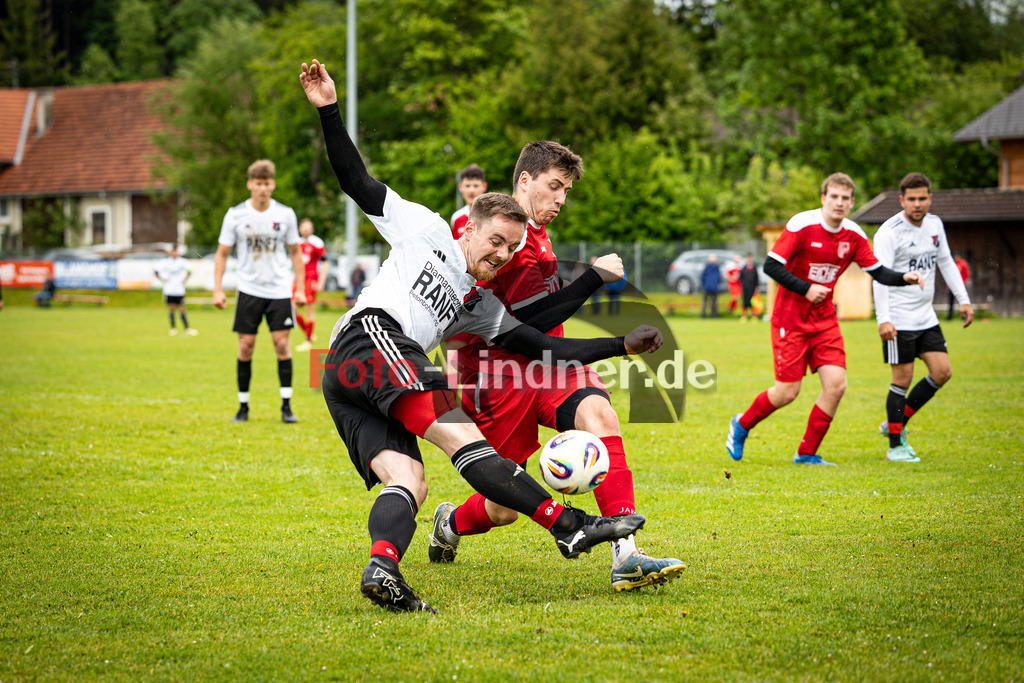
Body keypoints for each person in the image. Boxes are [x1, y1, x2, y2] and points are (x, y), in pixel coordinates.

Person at [302, 59, 657, 613]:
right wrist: (329, 109)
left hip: (354, 375)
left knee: (408, 479)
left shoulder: (477, 303)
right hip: (371, 339)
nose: (502, 254)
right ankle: (568, 527)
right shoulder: (425, 229)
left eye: (511, 249)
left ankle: (383, 568)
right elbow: (356, 181)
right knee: (467, 443)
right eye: (495, 242)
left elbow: (542, 345)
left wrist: (620, 346)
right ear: (468, 226)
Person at [433, 140, 685, 593]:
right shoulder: (500, 236)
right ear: (524, 180)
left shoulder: (537, 232)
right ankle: (449, 524)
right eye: (554, 186)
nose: (561, 199)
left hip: (550, 364)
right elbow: (530, 322)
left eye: (566, 190)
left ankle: (626, 554)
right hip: (495, 376)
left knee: (599, 415)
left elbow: (540, 312)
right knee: (503, 507)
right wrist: (592, 278)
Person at [725, 173, 924, 466]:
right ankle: (741, 424)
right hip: (790, 320)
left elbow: (878, 272)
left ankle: (807, 453)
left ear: (851, 202)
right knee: (787, 392)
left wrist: (904, 277)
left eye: (845, 198)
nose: (839, 203)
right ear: (823, 198)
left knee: (836, 385)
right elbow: (771, 266)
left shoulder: (853, 235)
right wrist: (806, 289)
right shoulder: (801, 225)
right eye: (834, 197)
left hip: (824, 321)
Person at [873, 173, 973, 463]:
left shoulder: (935, 224)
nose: (917, 204)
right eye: (911, 199)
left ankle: (895, 423)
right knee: (902, 379)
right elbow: (879, 277)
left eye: (922, 198)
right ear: (902, 200)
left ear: (930, 198)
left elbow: (946, 262)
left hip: (926, 317)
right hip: (898, 318)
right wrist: (883, 319)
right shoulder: (889, 232)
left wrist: (964, 300)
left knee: (942, 372)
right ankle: (895, 447)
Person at [213, 159, 306, 424]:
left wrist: (299, 289)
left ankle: (286, 407)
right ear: (250, 185)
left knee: (282, 345)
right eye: (258, 183)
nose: (262, 188)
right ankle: (243, 407)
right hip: (248, 289)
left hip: (279, 289)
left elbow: (295, 253)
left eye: (266, 183)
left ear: (273, 185)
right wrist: (217, 289)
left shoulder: (285, 214)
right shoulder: (235, 215)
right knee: (246, 347)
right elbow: (222, 253)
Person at [294, 218, 329, 352]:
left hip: (310, 279)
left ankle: (307, 341)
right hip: (298, 280)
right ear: (299, 229)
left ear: (312, 229)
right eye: (303, 227)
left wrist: (321, 281)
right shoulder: (297, 243)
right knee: (293, 309)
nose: (305, 229)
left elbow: (325, 263)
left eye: (308, 227)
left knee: (309, 309)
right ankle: (309, 334)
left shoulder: (317, 243)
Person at [155, 245, 197, 336]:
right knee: (171, 308)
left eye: (176, 251)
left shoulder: (182, 262)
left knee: (182, 308)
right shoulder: (166, 262)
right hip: (169, 289)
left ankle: (187, 328)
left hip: (179, 289)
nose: (174, 253)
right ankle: (173, 328)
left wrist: (185, 279)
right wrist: (162, 279)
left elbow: (189, 271)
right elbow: (156, 271)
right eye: (173, 251)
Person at [450, 164, 487, 238]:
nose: (471, 190)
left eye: (476, 186)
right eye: (467, 186)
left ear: (484, 186)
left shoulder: (492, 215)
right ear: (460, 187)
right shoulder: (456, 218)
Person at [947, 254, 970, 321]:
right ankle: (950, 317)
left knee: (962, 301)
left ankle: (964, 316)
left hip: (960, 286)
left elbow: (966, 274)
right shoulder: (951, 263)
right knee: (951, 302)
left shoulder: (962, 263)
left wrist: (962, 282)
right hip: (951, 286)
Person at [739, 254, 760, 322]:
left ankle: (753, 316)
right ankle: (744, 316)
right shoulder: (743, 268)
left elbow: (757, 279)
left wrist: (757, 287)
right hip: (745, 288)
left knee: (753, 302)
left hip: (752, 288)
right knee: (745, 302)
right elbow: (741, 278)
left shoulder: (754, 268)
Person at [700, 253, 721, 318]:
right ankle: (714, 315)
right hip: (714, 287)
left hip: (707, 287)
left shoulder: (707, 267)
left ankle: (703, 315)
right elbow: (719, 278)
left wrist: (704, 285)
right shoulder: (716, 268)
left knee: (705, 302)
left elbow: (702, 277)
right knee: (714, 302)